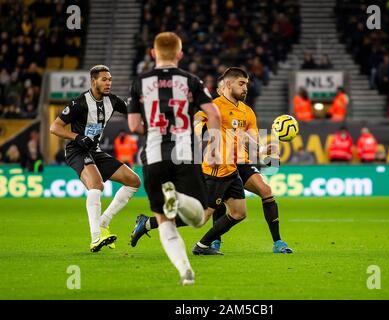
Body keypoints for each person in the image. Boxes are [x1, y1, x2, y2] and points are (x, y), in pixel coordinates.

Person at [130, 68, 293, 254]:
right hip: (216, 169)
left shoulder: (246, 112)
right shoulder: (215, 106)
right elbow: (196, 121)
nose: (245, 88)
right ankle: (149, 223)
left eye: (246, 84)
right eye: (241, 83)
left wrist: (264, 150)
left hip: (232, 169)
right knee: (201, 217)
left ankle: (204, 245)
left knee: (239, 212)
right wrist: (201, 137)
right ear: (229, 84)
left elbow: (248, 139)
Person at [127, 32, 221, 286]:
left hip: (154, 157)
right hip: (185, 154)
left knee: (164, 221)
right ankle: (177, 198)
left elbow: (134, 125)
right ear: (180, 54)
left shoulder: (139, 82)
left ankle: (185, 272)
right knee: (200, 217)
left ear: (152, 53)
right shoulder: (191, 80)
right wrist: (213, 149)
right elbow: (214, 114)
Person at [49, 65, 141, 253]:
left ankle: (104, 221)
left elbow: (133, 112)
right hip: (77, 150)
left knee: (134, 181)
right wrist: (76, 136)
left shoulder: (113, 101)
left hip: (95, 150)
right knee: (96, 185)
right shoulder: (79, 103)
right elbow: (54, 127)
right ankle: (96, 238)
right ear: (93, 81)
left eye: (110, 80)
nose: (108, 83)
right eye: (104, 79)